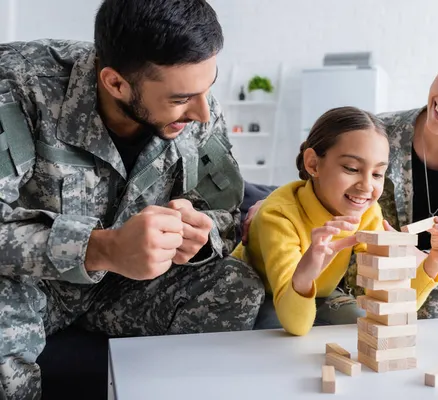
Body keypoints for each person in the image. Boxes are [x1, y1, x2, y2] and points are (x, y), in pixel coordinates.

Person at [0, 0, 264, 398]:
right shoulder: (18, 86)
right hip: (29, 285)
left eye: (208, 88)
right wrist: (99, 247)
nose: (204, 113)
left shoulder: (196, 106)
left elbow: (223, 213)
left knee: (235, 284)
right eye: (180, 99)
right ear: (116, 83)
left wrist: (200, 237)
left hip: (126, 288)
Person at [243, 30, 438, 321]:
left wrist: (432, 264)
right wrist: (269, 207)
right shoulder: (378, 134)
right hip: (363, 282)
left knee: (434, 310)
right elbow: (317, 188)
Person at [232, 106, 438, 336]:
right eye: (352, 168)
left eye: (377, 174)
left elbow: (391, 311)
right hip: (266, 294)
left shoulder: (367, 213)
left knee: (366, 329)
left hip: (322, 294)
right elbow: (296, 325)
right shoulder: (278, 216)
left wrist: (434, 261)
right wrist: (306, 273)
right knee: (286, 343)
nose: (367, 186)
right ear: (313, 163)